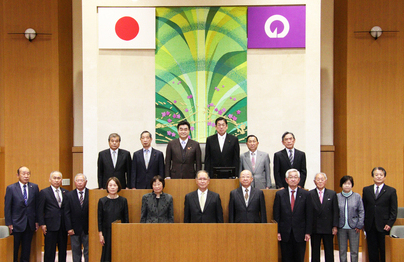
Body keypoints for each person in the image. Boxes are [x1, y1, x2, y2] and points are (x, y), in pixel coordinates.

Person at [273, 169, 312, 262]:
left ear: (299, 180)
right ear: (286, 180)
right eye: (291, 177)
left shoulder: (306, 194)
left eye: (295, 177)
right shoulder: (280, 194)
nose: (293, 179)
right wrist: (277, 231)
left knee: (299, 258)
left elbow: (309, 214)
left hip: (300, 233)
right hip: (285, 233)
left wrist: (308, 232)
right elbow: (276, 214)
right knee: (286, 258)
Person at [4, 166, 39, 262]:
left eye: (28, 174)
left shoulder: (34, 187)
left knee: (26, 248)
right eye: (23, 174)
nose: (26, 176)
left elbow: (37, 206)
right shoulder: (11, 188)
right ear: (18, 175)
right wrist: (9, 223)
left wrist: (36, 221)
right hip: (16, 223)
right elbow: (7, 207)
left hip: (29, 223)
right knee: (14, 248)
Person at [362, 167, 397, 262]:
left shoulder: (391, 191)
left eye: (381, 175)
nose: (379, 177)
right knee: (372, 250)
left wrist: (389, 224)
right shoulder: (366, 190)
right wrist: (363, 223)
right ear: (372, 176)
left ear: (385, 177)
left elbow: (393, 210)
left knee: (383, 249)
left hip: (384, 225)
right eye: (376, 175)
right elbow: (363, 208)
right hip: (370, 225)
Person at [38, 171, 69, 262]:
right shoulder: (44, 192)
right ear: (50, 180)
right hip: (50, 226)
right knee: (49, 251)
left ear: (61, 180)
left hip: (63, 226)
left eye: (58, 178)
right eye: (54, 178)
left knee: (63, 250)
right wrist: (42, 224)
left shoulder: (66, 192)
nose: (56, 180)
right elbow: (40, 210)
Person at [98, 177, 129, 262]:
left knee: (119, 253)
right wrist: (100, 234)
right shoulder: (102, 201)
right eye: (110, 185)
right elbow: (99, 219)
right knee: (107, 254)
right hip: (106, 232)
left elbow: (126, 219)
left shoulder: (123, 200)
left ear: (118, 187)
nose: (112, 187)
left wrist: (125, 233)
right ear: (107, 187)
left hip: (120, 232)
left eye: (114, 185)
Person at [309, 172, 339, 262]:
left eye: (322, 179)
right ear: (314, 181)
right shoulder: (310, 194)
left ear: (325, 181)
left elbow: (335, 211)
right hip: (315, 227)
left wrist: (335, 226)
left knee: (329, 251)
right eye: (318, 179)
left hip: (328, 227)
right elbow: (309, 212)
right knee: (315, 251)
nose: (320, 181)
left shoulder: (332, 194)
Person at [337, 175, 364, 262]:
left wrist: (359, 225)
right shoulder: (337, 197)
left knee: (354, 251)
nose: (347, 185)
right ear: (341, 185)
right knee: (342, 251)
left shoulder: (357, 196)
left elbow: (361, 211)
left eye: (349, 183)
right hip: (341, 228)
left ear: (352, 185)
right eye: (345, 183)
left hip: (354, 228)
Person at [65, 173, 89, 262]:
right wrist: (69, 228)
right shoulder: (69, 195)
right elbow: (66, 213)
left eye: (81, 180)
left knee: (88, 251)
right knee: (76, 251)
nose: (79, 183)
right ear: (75, 182)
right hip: (74, 228)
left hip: (87, 228)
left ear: (86, 182)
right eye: (78, 180)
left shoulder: (91, 194)